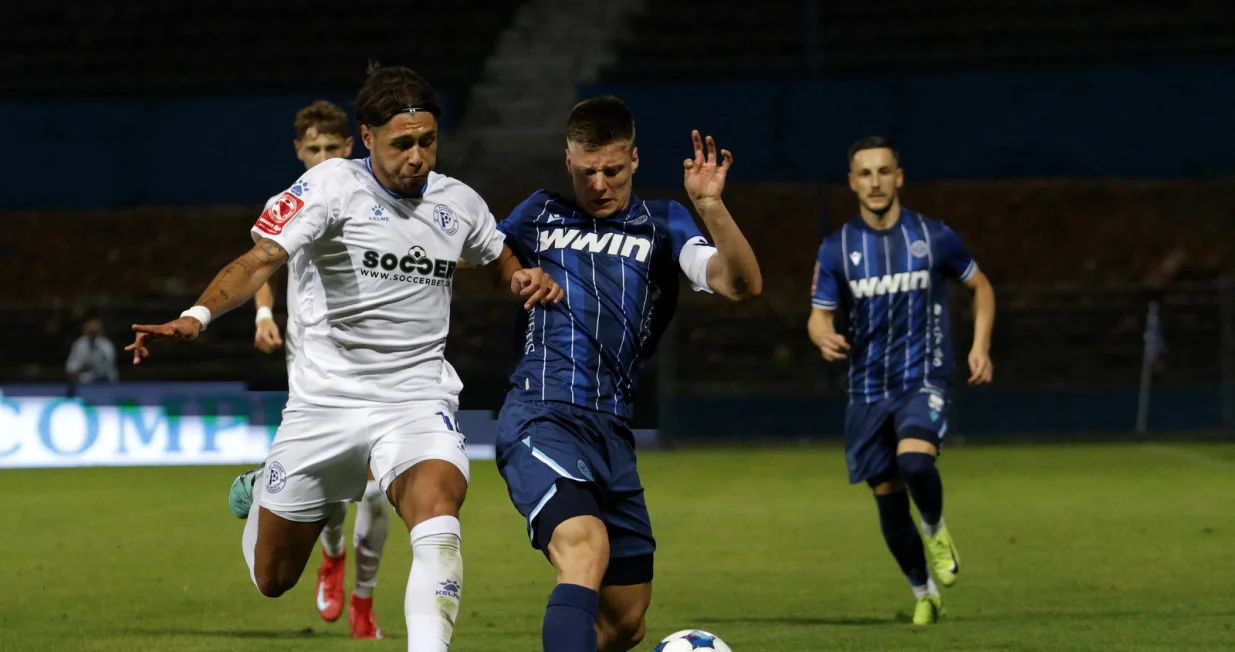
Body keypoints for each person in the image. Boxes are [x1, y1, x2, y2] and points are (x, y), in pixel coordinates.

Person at [125, 64, 563, 652]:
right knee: (273, 578)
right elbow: (260, 260)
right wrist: (195, 317)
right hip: (325, 405)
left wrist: (517, 278)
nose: (418, 157)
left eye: (428, 141)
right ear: (370, 137)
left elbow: (496, 251)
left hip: (416, 397)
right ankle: (264, 489)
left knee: (438, 511)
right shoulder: (330, 187)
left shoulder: (458, 202)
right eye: (403, 143)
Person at [493, 96, 762, 652]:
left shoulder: (663, 225)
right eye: (586, 171)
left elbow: (740, 284)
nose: (598, 184)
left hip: (613, 433)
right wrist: (518, 275)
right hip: (541, 414)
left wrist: (711, 206)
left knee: (625, 621)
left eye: (612, 169)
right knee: (584, 548)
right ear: (567, 161)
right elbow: (485, 245)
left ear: (635, 160)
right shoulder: (539, 213)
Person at [807, 136, 996, 624]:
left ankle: (935, 526)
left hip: (924, 377)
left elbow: (981, 287)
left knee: (915, 463)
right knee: (889, 507)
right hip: (867, 391)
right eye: (865, 173)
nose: (875, 181)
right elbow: (818, 315)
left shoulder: (933, 236)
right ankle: (924, 593)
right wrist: (823, 335)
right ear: (852, 183)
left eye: (883, 171)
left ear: (899, 177)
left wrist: (979, 346)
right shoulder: (836, 249)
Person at [249, 100, 390, 639]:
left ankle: (364, 599)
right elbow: (265, 261)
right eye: (315, 149)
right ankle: (332, 556)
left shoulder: (375, 202)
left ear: (351, 146)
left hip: (376, 375)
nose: (326, 156)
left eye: (334, 147)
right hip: (313, 374)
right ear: (298, 152)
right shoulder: (291, 202)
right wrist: (264, 313)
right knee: (330, 497)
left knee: (378, 492)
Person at [66, 317, 119, 384]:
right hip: (83, 383)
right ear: (85, 331)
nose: (92, 334)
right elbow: (70, 366)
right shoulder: (79, 344)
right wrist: (79, 367)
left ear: (99, 331)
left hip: (105, 382)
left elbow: (106, 368)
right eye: (90, 331)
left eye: (94, 332)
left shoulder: (106, 346)